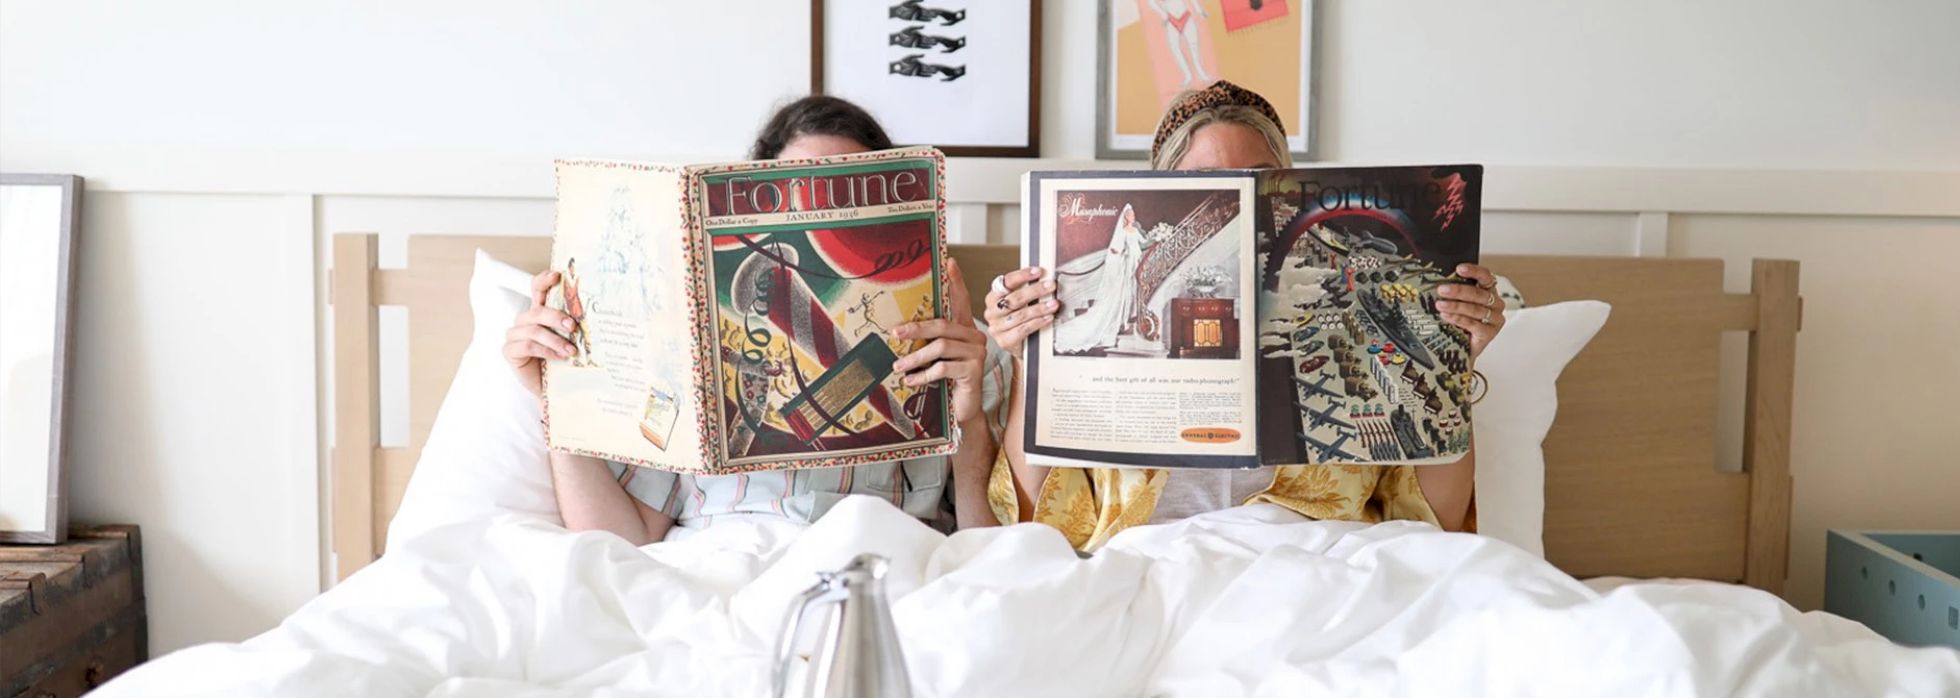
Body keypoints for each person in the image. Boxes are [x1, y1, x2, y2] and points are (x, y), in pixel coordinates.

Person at [984, 81, 1507, 550]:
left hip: (1316, 567)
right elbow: (1034, 519)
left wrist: (1451, 364)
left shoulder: (1349, 300)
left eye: (1257, 178)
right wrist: (1033, 362)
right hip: (1151, 567)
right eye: (1206, 180)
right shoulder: (1119, 298)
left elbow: (1434, 520)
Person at [504, 96, 1007, 544]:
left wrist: (969, 421)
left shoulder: (964, 353)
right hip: (725, 562)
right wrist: (557, 399)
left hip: (880, 562)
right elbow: (618, 541)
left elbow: (990, 551)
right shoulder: (686, 348)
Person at [1053, 204, 1152, 355]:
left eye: (1133, 214)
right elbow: (1116, 249)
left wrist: (1158, 236)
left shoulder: (1135, 231)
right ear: (1125, 217)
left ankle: (1128, 316)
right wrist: (1121, 254)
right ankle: (1120, 321)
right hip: (1128, 265)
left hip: (1137, 263)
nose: (1132, 216)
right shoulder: (1123, 231)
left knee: (1134, 291)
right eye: (1130, 214)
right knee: (1120, 294)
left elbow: (1144, 242)